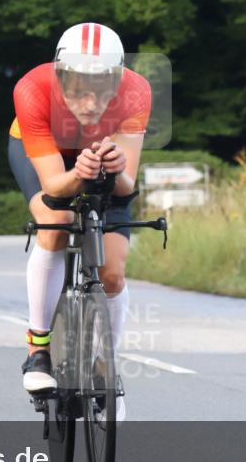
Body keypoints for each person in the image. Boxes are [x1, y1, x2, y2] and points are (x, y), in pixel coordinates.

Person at [8, 22, 151, 417]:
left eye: (102, 87)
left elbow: (125, 187)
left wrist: (117, 169)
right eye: (77, 88)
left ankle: (107, 368)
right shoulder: (32, 89)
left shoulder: (138, 91)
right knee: (54, 223)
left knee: (113, 275)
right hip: (47, 153)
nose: (89, 102)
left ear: (118, 81)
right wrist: (79, 173)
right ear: (60, 76)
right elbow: (55, 184)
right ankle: (38, 349)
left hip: (101, 159)